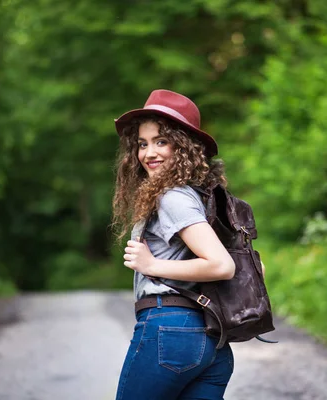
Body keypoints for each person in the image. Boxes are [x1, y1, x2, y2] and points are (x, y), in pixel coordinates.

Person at [111, 89, 236, 400]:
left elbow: (222, 265)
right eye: (143, 143)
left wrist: (152, 265)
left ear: (183, 146)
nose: (148, 153)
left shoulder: (173, 197)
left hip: (170, 332)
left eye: (161, 141)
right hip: (210, 341)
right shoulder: (198, 195)